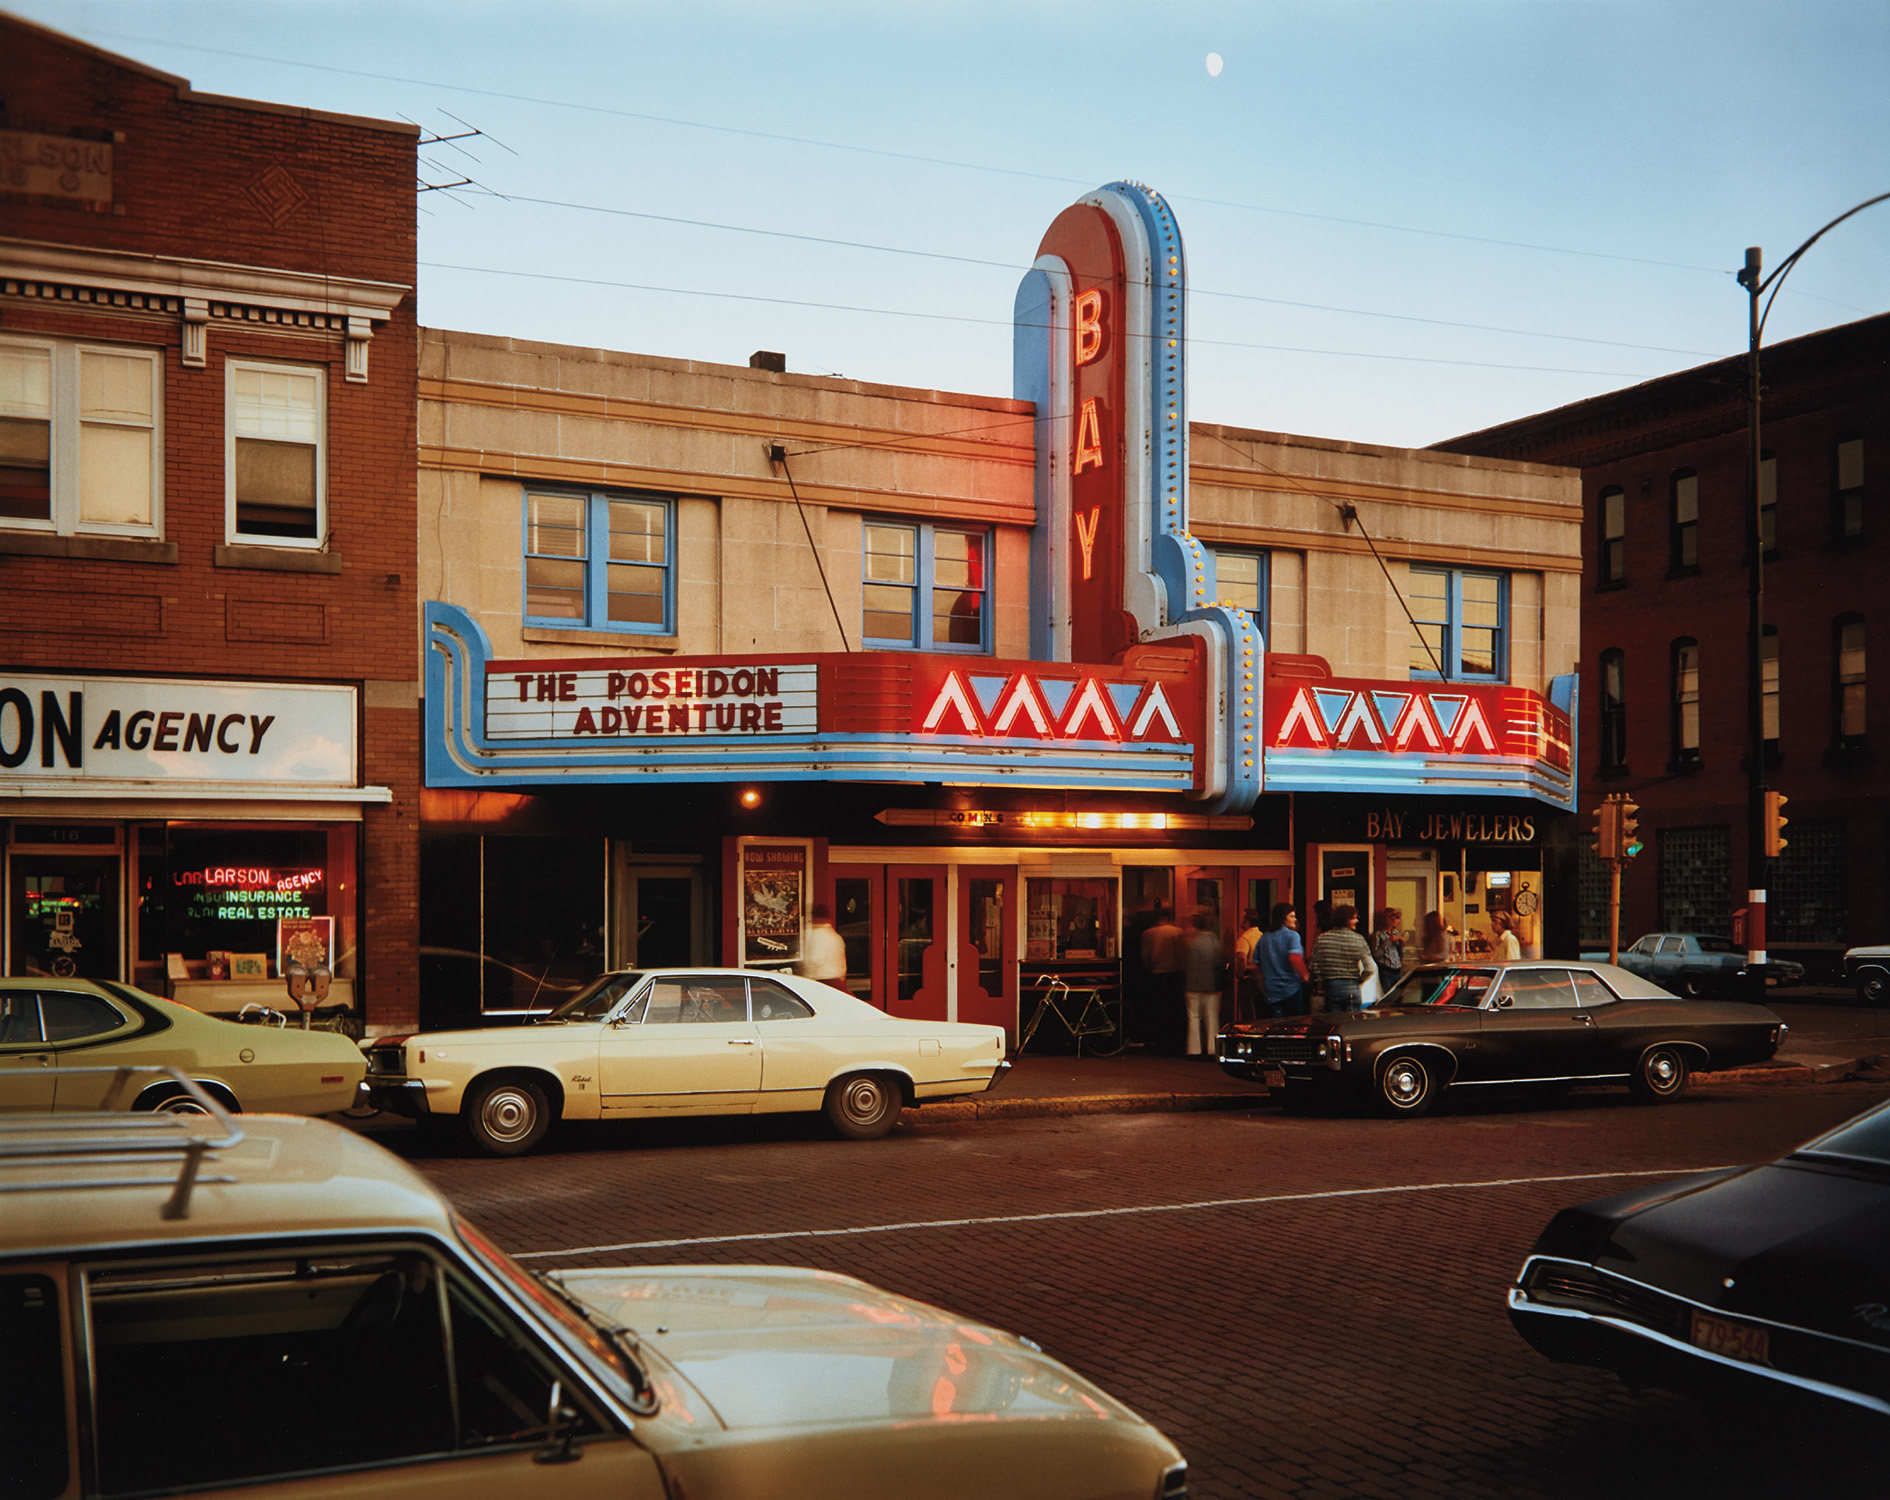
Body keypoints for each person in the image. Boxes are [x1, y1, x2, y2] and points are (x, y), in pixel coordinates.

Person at [1310, 905, 1374, 1013]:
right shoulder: (1358, 939)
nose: (1357, 920)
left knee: (1335, 1024)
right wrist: (1360, 980)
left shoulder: (1322, 939)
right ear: (1345, 920)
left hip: (1332, 988)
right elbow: (1370, 968)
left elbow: (1315, 967)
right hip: (1353, 987)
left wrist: (1320, 980)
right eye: (1354, 918)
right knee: (1351, 1026)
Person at [1140, 905, 1185, 1053]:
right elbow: (1181, 955)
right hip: (1173, 974)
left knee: (1157, 1009)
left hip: (1156, 973)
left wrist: (1147, 969)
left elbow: (1145, 957)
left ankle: (1159, 1042)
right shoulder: (1178, 933)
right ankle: (1174, 1042)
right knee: (1173, 1009)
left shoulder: (1148, 934)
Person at [1255, 903, 1311, 1018]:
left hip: (1270, 992)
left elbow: (1255, 965)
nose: (1295, 919)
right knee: (1293, 1027)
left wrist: (1263, 986)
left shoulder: (1264, 938)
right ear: (1283, 918)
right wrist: (1305, 976)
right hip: (1291, 990)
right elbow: (1294, 957)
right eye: (1292, 916)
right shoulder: (1292, 936)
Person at [1182, 909, 1223, 1057]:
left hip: (1196, 986)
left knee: (1193, 1018)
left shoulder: (1195, 942)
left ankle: (1194, 1050)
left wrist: (1189, 986)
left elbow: (1192, 967)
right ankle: (1213, 1049)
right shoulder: (1216, 941)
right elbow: (1218, 964)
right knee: (1212, 1017)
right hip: (1212, 986)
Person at [797, 903, 848, 990]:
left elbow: (809, 963)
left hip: (817, 984)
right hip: (836, 984)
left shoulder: (809, 936)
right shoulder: (835, 937)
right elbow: (843, 965)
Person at [1231, 908, 1263, 1023]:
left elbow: (1241, 957)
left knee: (1248, 1016)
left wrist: (1240, 973)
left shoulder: (1244, 938)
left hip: (1248, 981)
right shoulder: (1262, 936)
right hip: (1262, 980)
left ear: (1247, 921)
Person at [1370, 908, 1405, 993]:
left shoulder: (1396, 933)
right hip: (1386, 972)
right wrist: (1388, 942)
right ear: (1389, 920)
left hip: (1397, 971)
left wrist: (1402, 945)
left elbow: (1401, 956)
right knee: (1388, 997)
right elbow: (1376, 955)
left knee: (1399, 996)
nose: (1399, 921)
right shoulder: (1378, 935)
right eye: (1396, 918)